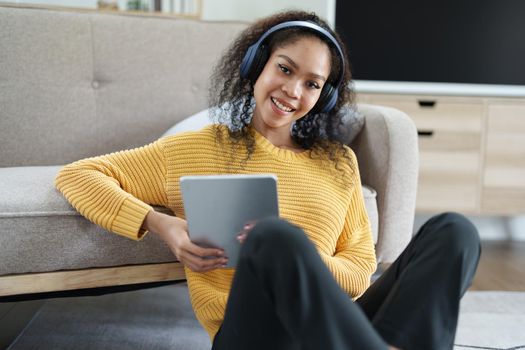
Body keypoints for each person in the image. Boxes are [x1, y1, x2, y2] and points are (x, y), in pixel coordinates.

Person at [55, 10, 481, 350]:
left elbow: (357, 272)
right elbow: (79, 175)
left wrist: (304, 263)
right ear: (257, 65)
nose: (294, 91)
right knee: (274, 236)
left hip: (336, 330)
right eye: (285, 69)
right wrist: (163, 225)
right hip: (253, 337)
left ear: (323, 97)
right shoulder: (197, 148)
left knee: (455, 230)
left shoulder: (339, 162)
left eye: (312, 84)